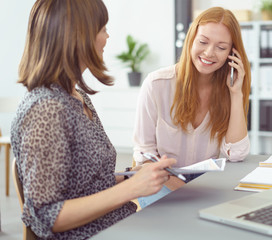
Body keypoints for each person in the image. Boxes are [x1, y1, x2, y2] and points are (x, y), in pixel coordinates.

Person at [11, 0, 176, 239]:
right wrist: (131, 188)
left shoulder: (78, 97)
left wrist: (135, 174)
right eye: (102, 29)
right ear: (77, 37)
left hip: (118, 223)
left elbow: (87, 182)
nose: (107, 37)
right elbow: (48, 216)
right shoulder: (46, 110)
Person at [133, 7, 251, 208]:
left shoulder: (229, 90)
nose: (209, 53)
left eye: (221, 48)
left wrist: (236, 94)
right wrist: (179, 186)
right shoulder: (157, 84)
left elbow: (237, 153)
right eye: (203, 42)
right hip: (161, 181)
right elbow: (144, 153)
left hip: (205, 184)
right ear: (191, 39)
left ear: (232, 53)